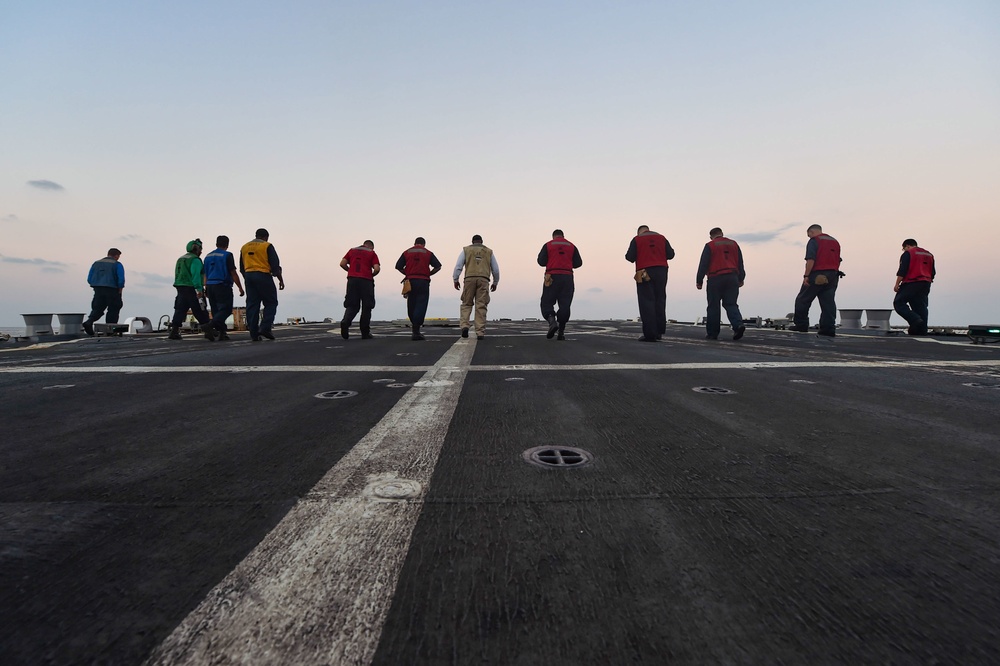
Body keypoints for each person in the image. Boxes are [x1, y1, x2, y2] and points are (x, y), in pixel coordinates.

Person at [790, 224, 842, 337]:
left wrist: (806, 276)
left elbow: (811, 259)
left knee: (802, 300)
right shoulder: (835, 241)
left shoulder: (814, 241)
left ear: (812, 232)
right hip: (833, 275)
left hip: (817, 274)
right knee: (828, 303)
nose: (809, 237)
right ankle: (828, 329)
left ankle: (801, 325)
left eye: (809, 235)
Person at [625, 225, 675, 342]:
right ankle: (659, 332)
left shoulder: (637, 239)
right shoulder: (662, 238)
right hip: (662, 271)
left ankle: (649, 334)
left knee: (646, 301)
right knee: (660, 299)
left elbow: (630, 257)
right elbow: (671, 255)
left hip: (644, 271)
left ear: (639, 232)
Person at [696, 228, 746, 341]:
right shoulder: (734, 244)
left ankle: (712, 333)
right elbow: (740, 262)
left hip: (715, 278)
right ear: (722, 234)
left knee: (713, 306)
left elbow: (703, 264)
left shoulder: (710, 245)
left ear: (711, 237)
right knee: (731, 304)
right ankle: (738, 325)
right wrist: (741, 278)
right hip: (732, 277)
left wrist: (699, 280)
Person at [537, 229, 582, 340]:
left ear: (553, 236)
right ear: (563, 236)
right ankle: (561, 332)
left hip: (551, 276)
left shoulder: (548, 245)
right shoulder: (572, 246)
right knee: (565, 305)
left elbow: (541, 261)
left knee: (546, 302)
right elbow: (578, 263)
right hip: (567, 277)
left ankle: (552, 321)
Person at [240, 228, 284, 341]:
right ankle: (265, 327)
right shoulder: (267, 246)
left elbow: (241, 267)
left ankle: (254, 333)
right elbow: (275, 265)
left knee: (252, 305)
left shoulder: (244, 247)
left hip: (249, 276)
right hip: (263, 275)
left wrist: (247, 278)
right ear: (266, 237)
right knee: (271, 302)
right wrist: (280, 280)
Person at [453, 234, 500, 340]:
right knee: (481, 305)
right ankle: (480, 331)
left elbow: (458, 267)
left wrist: (455, 280)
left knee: (466, 303)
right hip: (484, 280)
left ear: (472, 241)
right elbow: (495, 270)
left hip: (469, 279)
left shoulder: (466, 250)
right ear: (482, 241)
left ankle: (465, 326)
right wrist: (495, 282)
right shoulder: (489, 252)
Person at [168, 239, 216, 341]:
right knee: (200, 308)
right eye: (200, 249)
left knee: (180, 309)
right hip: (192, 288)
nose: (201, 251)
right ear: (197, 249)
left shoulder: (180, 259)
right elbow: (195, 275)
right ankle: (207, 330)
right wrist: (199, 290)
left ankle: (174, 330)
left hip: (180, 287)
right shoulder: (195, 260)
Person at [395, 237, 442, 341]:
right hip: (423, 281)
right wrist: (429, 273)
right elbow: (438, 266)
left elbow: (398, 266)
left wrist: (407, 273)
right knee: (421, 303)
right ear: (424, 244)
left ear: (414, 243)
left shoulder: (407, 252)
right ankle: (416, 330)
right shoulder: (428, 253)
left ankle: (414, 327)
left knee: (411, 303)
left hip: (410, 281)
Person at [203, 235, 245, 341]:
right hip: (222, 285)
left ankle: (222, 333)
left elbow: (205, 274)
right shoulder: (227, 255)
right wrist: (240, 287)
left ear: (216, 243)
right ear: (227, 244)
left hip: (210, 285)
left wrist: (206, 287)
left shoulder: (207, 256)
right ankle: (210, 325)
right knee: (226, 310)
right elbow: (233, 272)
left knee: (216, 310)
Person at [893, 239, 935, 335]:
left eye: (904, 249)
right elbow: (933, 272)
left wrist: (897, 284)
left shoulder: (908, 254)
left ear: (907, 246)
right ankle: (921, 330)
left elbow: (902, 270)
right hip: (926, 283)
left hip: (911, 282)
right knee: (920, 306)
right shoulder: (929, 254)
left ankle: (914, 319)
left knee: (899, 303)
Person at [340, 240, 380, 340]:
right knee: (367, 306)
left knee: (352, 304)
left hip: (352, 280)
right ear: (371, 247)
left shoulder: (352, 250)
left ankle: (346, 321)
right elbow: (376, 269)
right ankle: (365, 332)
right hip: (366, 281)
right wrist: (371, 275)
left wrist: (350, 271)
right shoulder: (371, 253)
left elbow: (342, 263)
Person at [82, 248, 125, 336]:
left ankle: (89, 322)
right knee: (114, 309)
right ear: (116, 255)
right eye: (118, 256)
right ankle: (111, 331)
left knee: (97, 308)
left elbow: (89, 278)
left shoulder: (96, 263)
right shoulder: (117, 264)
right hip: (112, 289)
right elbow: (121, 279)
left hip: (98, 289)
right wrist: (120, 289)